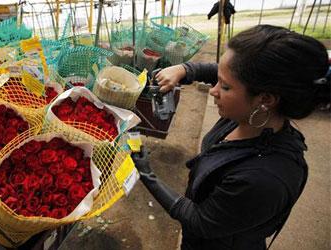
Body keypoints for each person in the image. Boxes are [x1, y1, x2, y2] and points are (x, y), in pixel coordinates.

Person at [131, 25, 330, 250]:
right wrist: (186, 69)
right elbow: (225, 71)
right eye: (217, 80)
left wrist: (147, 174)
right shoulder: (251, 115)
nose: (214, 91)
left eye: (224, 87)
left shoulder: (264, 179)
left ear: (265, 99)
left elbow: (200, 221)